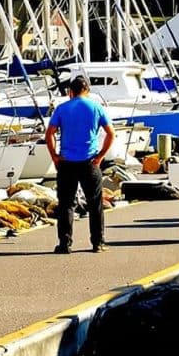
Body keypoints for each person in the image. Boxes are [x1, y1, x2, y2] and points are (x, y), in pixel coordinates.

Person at [44, 74, 115, 254]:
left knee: (66, 204)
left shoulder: (62, 109)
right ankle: (97, 242)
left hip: (67, 162)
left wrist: (55, 156)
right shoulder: (96, 107)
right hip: (89, 161)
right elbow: (110, 133)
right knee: (95, 203)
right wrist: (100, 156)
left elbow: (49, 134)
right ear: (87, 90)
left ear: (70, 92)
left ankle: (64, 243)